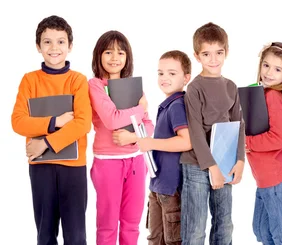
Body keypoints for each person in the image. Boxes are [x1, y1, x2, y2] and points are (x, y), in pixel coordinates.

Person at [11, 15, 92, 245]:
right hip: (41, 166)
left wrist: (44, 142)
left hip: (73, 166)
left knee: (76, 235)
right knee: (45, 233)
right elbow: (18, 121)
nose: (54, 47)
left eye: (60, 41)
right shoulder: (29, 81)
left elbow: (82, 123)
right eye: (47, 42)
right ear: (38, 47)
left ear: (70, 46)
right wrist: (55, 121)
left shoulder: (77, 80)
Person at [179, 22, 245, 245]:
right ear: (197, 56)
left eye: (219, 53)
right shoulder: (195, 88)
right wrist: (212, 167)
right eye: (206, 54)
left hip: (225, 161)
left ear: (227, 52)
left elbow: (238, 124)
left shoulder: (231, 87)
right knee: (196, 228)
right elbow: (196, 131)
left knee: (224, 224)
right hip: (198, 164)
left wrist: (240, 160)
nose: (213, 59)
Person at [88, 30, 154, 245]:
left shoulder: (134, 87)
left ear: (128, 58)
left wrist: (133, 137)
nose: (115, 58)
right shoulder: (95, 85)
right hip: (107, 164)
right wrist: (139, 108)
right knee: (107, 224)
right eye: (108, 52)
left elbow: (149, 125)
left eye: (121, 53)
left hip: (136, 160)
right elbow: (112, 120)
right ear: (99, 55)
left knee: (131, 224)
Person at [137, 50, 194, 245]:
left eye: (172, 73)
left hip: (171, 189)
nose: (164, 78)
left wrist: (151, 143)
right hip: (158, 186)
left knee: (172, 240)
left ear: (186, 78)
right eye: (160, 73)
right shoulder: (167, 105)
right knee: (155, 238)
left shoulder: (177, 105)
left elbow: (186, 141)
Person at [245, 42, 282, 245]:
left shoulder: (273, 96)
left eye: (277, 69)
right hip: (265, 178)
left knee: (281, 235)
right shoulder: (260, 94)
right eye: (266, 65)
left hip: (275, 177)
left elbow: (278, 137)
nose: (268, 73)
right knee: (261, 231)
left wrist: (247, 142)